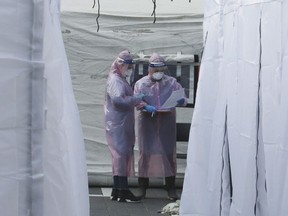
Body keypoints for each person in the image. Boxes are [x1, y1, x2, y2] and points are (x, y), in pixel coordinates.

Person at [134, 53, 187, 200]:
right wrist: (145, 106)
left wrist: (181, 99)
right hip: (147, 121)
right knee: (145, 153)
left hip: (166, 121)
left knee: (169, 152)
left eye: (160, 70)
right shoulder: (141, 84)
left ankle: (170, 187)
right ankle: (142, 187)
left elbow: (182, 98)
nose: (158, 73)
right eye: (155, 70)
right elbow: (136, 100)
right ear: (149, 68)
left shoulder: (171, 82)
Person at [104, 50, 144, 202]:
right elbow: (119, 100)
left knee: (118, 155)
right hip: (118, 123)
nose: (130, 69)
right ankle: (123, 189)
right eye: (128, 66)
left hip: (118, 122)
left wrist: (140, 102)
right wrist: (136, 99)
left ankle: (117, 189)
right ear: (122, 65)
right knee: (120, 155)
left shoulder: (119, 79)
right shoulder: (116, 80)